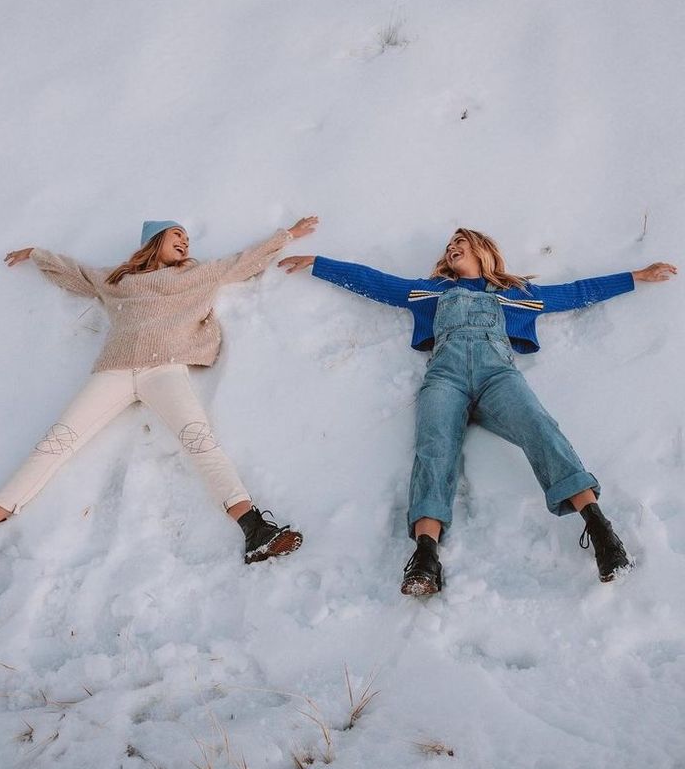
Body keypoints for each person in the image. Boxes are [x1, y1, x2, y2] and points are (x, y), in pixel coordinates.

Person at [279, 228, 676, 595]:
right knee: (434, 449)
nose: (452, 248)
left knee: (539, 428)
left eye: (460, 242)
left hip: (497, 378)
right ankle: (425, 556)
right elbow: (375, 282)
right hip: (445, 379)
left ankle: (600, 529)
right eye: (449, 246)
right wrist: (317, 263)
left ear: (482, 250)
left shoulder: (517, 293)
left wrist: (637, 275)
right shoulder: (430, 291)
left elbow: (575, 292)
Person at [0, 216, 319, 566]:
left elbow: (246, 261)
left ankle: (255, 530)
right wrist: (36, 254)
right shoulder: (117, 280)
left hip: (165, 370)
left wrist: (288, 234)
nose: (185, 242)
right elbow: (74, 274)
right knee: (56, 442)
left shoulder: (197, 275)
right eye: (177, 235)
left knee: (199, 439)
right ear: (154, 241)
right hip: (113, 372)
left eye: (187, 238)